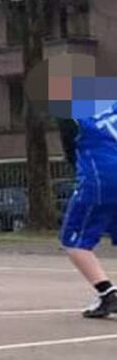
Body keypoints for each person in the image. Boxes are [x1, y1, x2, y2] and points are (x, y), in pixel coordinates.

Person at [56, 76, 117, 318]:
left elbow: (71, 151)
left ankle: (107, 293)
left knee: (74, 240)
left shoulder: (70, 114)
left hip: (100, 179)